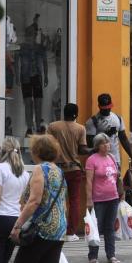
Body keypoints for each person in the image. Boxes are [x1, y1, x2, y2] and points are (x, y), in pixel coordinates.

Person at [10, 135, 67, 263]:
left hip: (43, 228)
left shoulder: (39, 169)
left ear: (36, 152)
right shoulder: (58, 171)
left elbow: (34, 201)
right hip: (59, 228)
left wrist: (18, 225)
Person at [47, 103, 92, 242]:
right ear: (76, 114)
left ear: (63, 113)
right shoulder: (80, 128)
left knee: (55, 200)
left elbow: (48, 145)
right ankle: (70, 232)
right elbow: (82, 150)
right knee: (74, 201)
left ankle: (55, 229)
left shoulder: (53, 127)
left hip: (56, 169)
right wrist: (94, 150)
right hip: (74, 169)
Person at [86, 133, 122, 263]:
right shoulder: (92, 160)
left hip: (113, 197)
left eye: (108, 142)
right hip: (98, 199)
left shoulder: (112, 157)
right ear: (97, 146)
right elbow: (89, 181)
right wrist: (89, 199)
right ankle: (93, 256)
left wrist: (120, 191)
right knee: (96, 227)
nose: (107, 145)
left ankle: (111, 255)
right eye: (104, 143)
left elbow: (117, 177)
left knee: (110, 227)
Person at [85, 93, 132, 168]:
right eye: (104, 108)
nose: (107, 110)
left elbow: (123, 139)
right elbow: (90, 144)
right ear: (99, 106)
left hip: (115, 160)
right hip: (99, 161)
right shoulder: (92, 122)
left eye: (109, 107)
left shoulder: (118, 118)